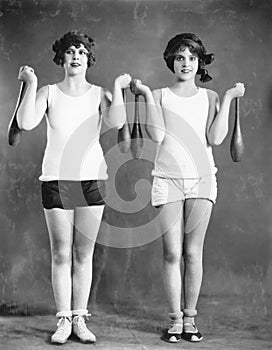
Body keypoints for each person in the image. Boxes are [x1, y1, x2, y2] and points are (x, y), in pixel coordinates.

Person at [16, 31, 131, 344]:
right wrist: (31, 83)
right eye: (70, 52)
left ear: (88, 58)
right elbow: (26, 123)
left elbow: (118, 122)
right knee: (61, 255)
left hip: (91, 180)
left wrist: (119, 89)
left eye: (81, 51)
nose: (76, 56)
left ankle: (80, 318)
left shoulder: (99, 94)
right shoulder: (50, 93)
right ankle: (63, 320)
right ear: (61, 58)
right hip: (56, 180)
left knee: (84, 255)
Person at [132, 33, 245, 343]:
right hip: (166, 180)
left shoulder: (210, 98)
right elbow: (155, 135)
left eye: (191, 58)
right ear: (172, 61)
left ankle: (191, 318)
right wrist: (143, 93)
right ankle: (175, 320)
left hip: (201, 179)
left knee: (193, 253)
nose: (185, 63)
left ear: (199, 62)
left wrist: (230, 98)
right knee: (172, 253)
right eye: (180, 57)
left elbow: (217, 138)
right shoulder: (158, 94)